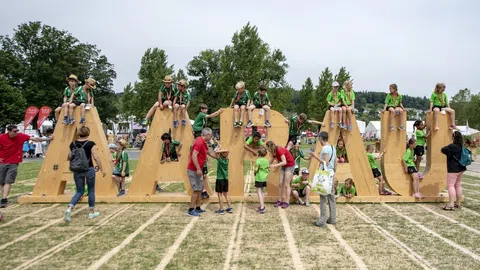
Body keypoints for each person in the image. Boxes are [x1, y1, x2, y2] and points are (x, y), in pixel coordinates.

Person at [0, 125, 53, 207]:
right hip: (2, 162)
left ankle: (4, 199)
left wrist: (49, 139)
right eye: (14, 131)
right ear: (9, 131)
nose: (16, 133)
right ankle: (3, 198)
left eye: (17, 131)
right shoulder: (2, 137)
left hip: (13, 162)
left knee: (8, 181)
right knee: (2, 182)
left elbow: (36, 139)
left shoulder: (20, 136)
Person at [64, 126, 106, 222]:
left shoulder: (73, 144)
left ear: (79, 133)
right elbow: (96, 157)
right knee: (91, 190)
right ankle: (91, 212)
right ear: (88, 133)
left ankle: (69, 208)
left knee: (79, 191)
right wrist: (102, 169)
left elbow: (69, 157)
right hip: (89, 169)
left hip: (77, 169)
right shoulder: (90, 144)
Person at [186, 128, 216, 217]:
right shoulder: (199, 142)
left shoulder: (203, 143)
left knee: (199, 189)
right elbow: (194, 155)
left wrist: (217, 156)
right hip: (194, 170)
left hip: (198, 169)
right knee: (196, 190)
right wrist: (198, 169)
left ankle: (197, 208)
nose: (211, 137)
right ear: (207, 135)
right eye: (210, 135)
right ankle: (190, 210)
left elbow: (207, 152)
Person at [310, 131, 337, 227]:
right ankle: (333, 218)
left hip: (325, 175)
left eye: (319, 139)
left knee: (323, 198)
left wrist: (315, 156)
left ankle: (322, 220)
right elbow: (335, 162)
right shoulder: (333, 147)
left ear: (321, 138)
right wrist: (334, 172)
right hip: (331, 174)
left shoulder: (325, 148)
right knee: (331, 197)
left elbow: (325, 162)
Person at [441, 131, 467, 210]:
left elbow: (442, 150)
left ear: (453, 137)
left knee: (451, 185)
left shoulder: (452, 146)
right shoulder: (462, 146)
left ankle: (451, 204)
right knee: (458, 185)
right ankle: (458, 203)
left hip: (453, 169)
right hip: (461, 168)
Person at [266, 141, 295, 209]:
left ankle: (287, 202)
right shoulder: (273, 152)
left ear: (270, 147)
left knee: (286, 184)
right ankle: (280, 200)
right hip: (284, 166)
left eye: (267, 148)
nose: (267, 150)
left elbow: (284, 162)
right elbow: (271, 160)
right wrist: (268, 165)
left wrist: (275, 165)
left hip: (290, 165)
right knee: (280, 184)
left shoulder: (279, 150)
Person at [212, 149, 232, 215]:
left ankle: (221, 209)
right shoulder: (227, 160)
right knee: (226, 194)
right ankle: (229, 207)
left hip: (220, 179)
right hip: (225, 179)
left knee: (219, 194)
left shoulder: (220, 160)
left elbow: (216, 153)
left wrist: (221, 151)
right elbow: (222, 153)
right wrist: (224, 151)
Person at [255, 147, 269, 213]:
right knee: (262, 192)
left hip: (259, 178)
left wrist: (254, 172)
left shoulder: (258, 160)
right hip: (264, 178)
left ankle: (262, 207)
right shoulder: (266, 160)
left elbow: (256, 169)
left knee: (259, 192)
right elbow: (268, 168)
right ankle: (261, 205)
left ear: (259, 153)